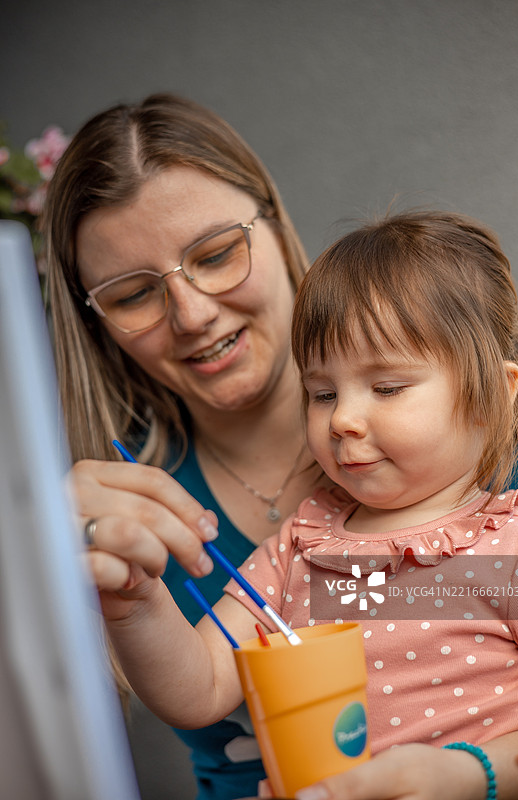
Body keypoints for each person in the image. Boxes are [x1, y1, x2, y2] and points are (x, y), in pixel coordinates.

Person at [84, 210, 518, 800]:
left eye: (388, 388)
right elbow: (202, 689)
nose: (342, 420)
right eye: (322, 393)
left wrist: (473, 778)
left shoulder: (513, 548)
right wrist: (135, 604)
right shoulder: (303, 547)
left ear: (493, 396)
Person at [42, 92, 329, 800]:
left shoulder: (461, 414)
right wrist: (42, 575)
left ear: (274, 222)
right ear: (96, 320)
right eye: (134, 294)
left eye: (216, 253)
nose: (193, 314)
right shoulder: (122, 514)